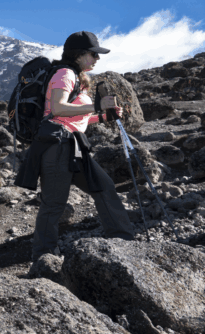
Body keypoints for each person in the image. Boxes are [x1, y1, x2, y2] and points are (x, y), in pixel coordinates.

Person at [15, 31, 135, 261]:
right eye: (93, 54)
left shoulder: (77, 78)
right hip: (57, 145)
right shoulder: (64, 74)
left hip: (72, 144)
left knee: (104, 187)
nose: (96, 59)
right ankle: (44, 259)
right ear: (79, 55)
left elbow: (75, 117)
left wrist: (103, 117)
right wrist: (97, 105)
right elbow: (58, 109)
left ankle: (123, 244)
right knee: (54, 204)